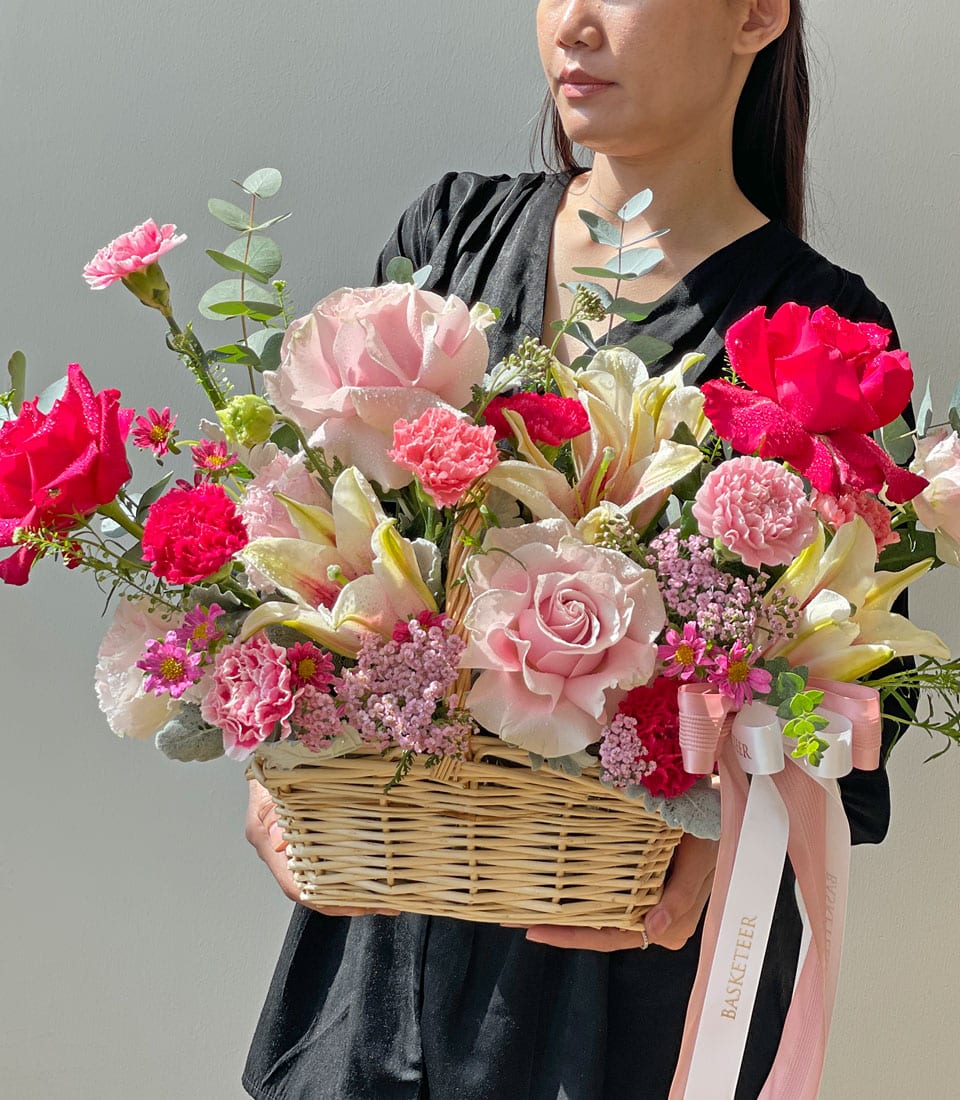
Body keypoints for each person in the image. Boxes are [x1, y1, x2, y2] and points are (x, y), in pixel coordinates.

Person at [242, 2, 899, 1097]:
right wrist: (279, 743)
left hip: (631, 1006)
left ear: (753, 15)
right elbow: (310, 543)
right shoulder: (447, 241)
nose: (574, 23)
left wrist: (725, 823)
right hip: (381, 984)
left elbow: (854, 739)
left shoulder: (822, 338)